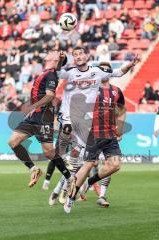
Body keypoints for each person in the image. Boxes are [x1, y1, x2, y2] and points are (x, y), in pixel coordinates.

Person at [43, 47, 138, 204]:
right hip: (77, 123)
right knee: (74, 157)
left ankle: (76, 189)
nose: (79, 56)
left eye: (81, 53)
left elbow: (119, 74)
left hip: (97, 128)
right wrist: (60, 60)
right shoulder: (75, 75)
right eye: (75, 54)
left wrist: (131, 64)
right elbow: (57, 73)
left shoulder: (104, 80)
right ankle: (58, 187)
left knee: (98, 163)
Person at [8, 50, 76, 194]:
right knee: (13, 142)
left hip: (43, 117)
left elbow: (50, 95)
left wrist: (33, 106)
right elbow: (59, 66)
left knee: (49, 153)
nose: (51, 52)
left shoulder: (51, 74)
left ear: (55, 59)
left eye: (54, 52)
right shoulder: (47, 72)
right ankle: (34, 169)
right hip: (33, 116)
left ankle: (70, 179)